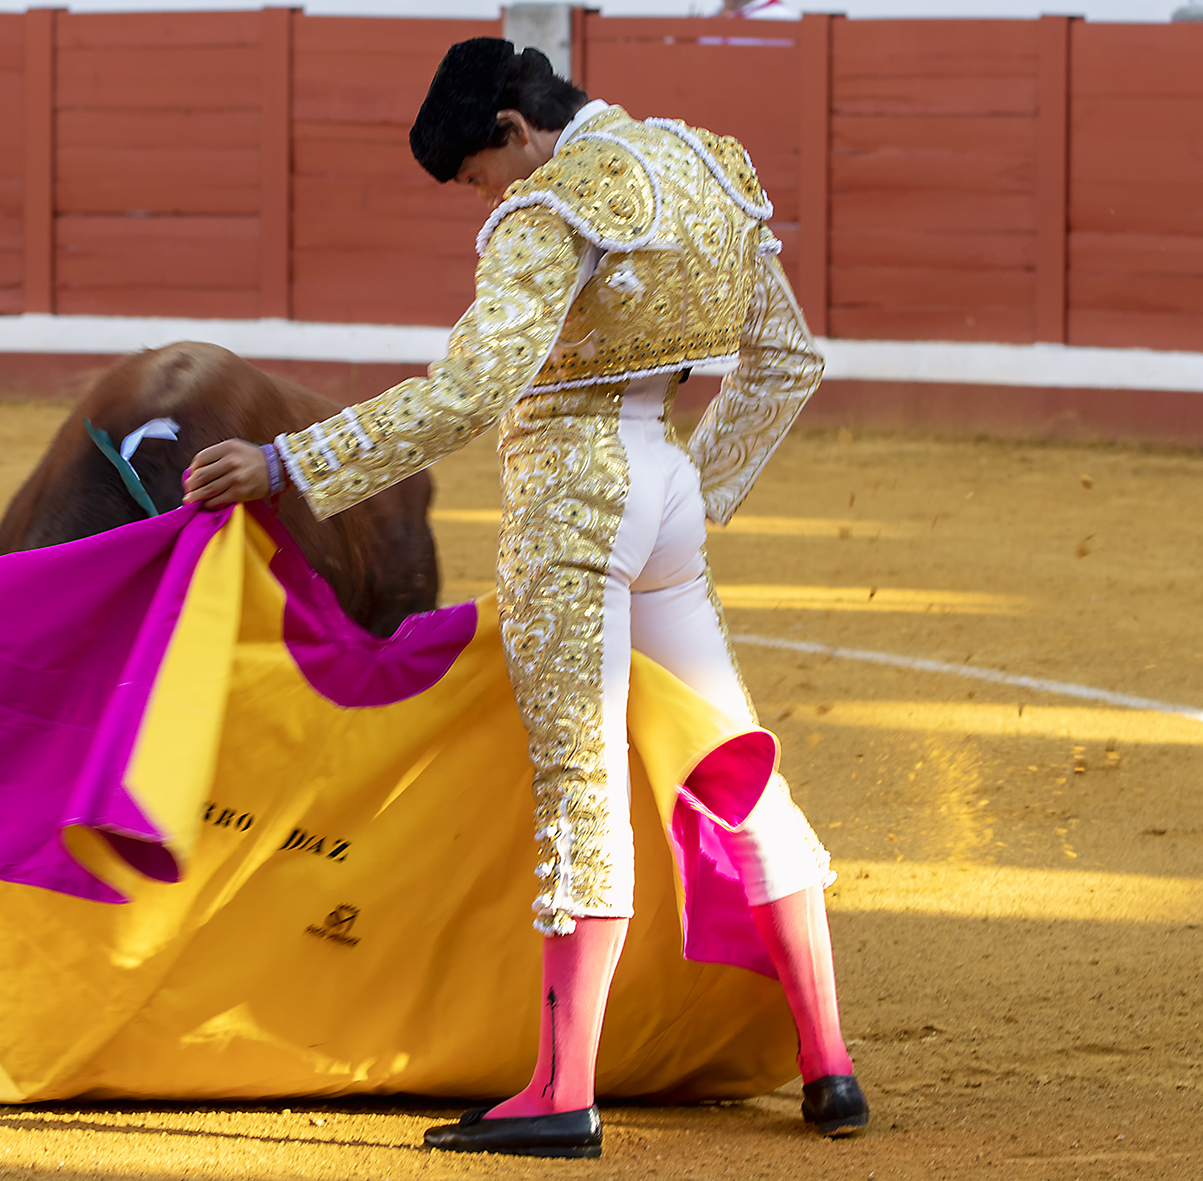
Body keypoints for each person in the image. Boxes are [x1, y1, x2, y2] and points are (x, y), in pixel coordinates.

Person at [182, 38, 867, 1158]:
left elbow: (474, 387)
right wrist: (698, 483)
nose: (481, 201)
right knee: (730, 761)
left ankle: (562, 1090)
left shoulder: (551, 204)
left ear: (512, 128)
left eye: (474, 177)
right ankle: (826, 1059)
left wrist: (290, 464)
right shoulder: (708, 166)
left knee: (581, 782)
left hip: (571, 501)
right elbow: (784, 359)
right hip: (665, 495)